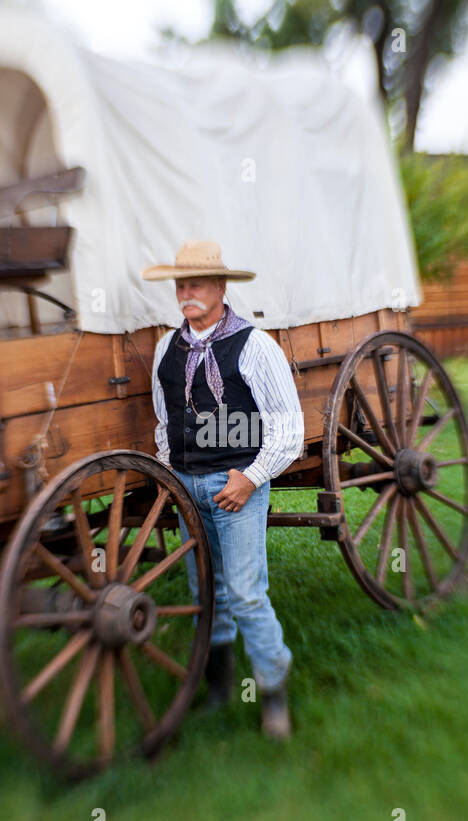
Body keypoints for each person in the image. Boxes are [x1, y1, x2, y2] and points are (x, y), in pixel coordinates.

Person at [143, 240, 304, 739]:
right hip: (188, 489)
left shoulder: (254, 346)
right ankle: (217, 686)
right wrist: (170, 474)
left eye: (196, 284)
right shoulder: (166, 349)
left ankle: (274, 690)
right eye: (180, 284)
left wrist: (250, 478)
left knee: (245, 593)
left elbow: (288, 427)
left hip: (236, 484)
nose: (186, 292)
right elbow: (164, 422)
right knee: (204, 592)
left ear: (220, 287)